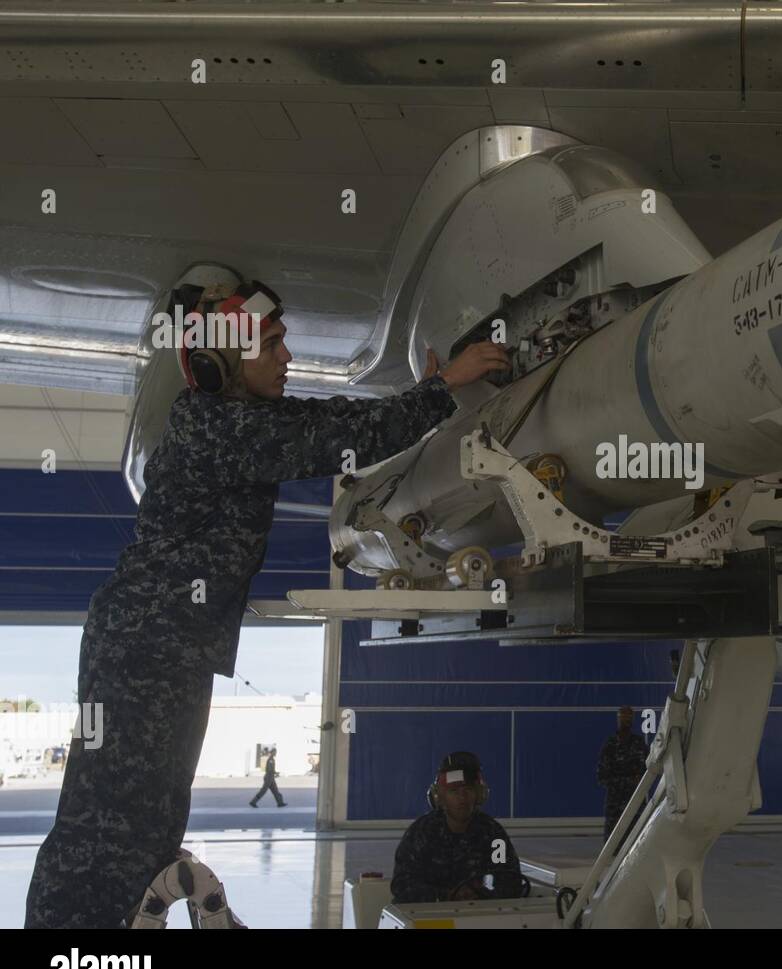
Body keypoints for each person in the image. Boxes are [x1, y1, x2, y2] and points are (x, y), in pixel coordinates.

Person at [25, 280, 509, 928]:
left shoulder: (222, 425)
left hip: (156, 647)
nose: (286, 358)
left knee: (144, 820)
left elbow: (328, 424)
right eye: (272, 345)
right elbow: (335, 430)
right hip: (148, 652)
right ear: (224, 360)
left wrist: (428, 395)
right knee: (115, 829)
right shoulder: (223, 430)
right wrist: (444, 384)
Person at [390, 751, 523, 903]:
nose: (462, 797)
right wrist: (445, 896)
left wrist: (480, 893)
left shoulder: (492, 835)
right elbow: (402, 885)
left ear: (479, 795)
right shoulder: (421, 833)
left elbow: (509, 880)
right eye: (454, 791)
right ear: (439, 797)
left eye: (468, 789)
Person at [597, 706, 647, 841]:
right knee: (613, 846)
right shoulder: (610, 745)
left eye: (628, 718)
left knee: (637, 842)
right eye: (622, 718)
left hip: (635, 802)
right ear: (618, 720)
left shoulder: (639, 744)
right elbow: (602, 777)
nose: (625, 721)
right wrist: (626, 781)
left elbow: (648, 771)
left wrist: (637, 781)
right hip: (615, 805)